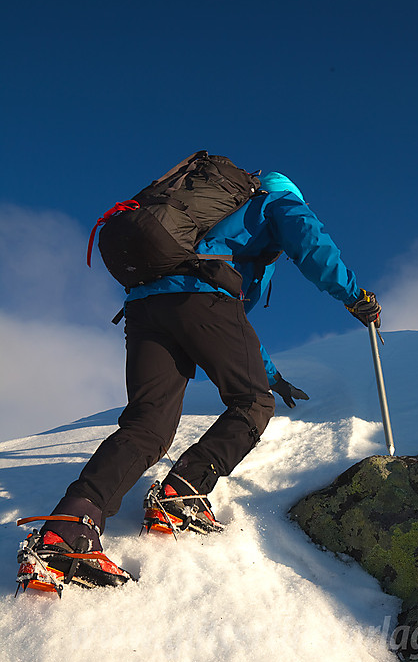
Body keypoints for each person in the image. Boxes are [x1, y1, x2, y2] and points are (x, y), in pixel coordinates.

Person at [16, 166, 380, 592]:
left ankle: (67, 532)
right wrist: (356, 297)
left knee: (146, 425)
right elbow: (312, 246)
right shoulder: (277, 201)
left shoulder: (205, 221)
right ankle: (180, 495)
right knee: (253, 404)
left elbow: (230, 330)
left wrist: (271, 374)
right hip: (200, 297)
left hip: (145, 307)